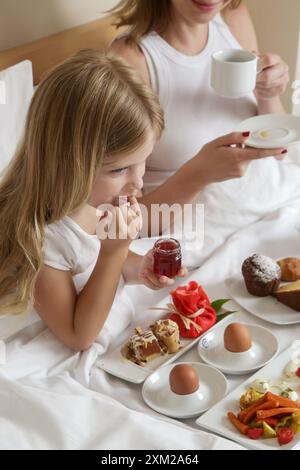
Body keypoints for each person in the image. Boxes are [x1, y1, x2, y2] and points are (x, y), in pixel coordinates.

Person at [0, 50, 187, 351]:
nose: (138, 182)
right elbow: (78, 335)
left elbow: (89, 263)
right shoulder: (42, 237)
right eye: (119, 169)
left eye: (143, 162)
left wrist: (138, 266)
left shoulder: (95, 200)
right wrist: (114, 253)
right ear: (68, 162)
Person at [109, 0, 300, 257]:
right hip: (201, 232)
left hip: (275, 202)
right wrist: (199, 173)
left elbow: (278, 149)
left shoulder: (232, 16)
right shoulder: (132, 59)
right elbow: (119, 224)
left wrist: (268, 94)